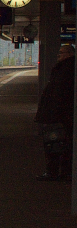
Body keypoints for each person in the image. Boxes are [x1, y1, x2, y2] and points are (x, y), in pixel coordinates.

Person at [34, 44, 74, 181]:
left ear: (69, 54)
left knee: (56, 143)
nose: (58, 55)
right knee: (62, 144)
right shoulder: (65, 68)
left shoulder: (67, 69)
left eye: (61, 53)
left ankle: (55, 172)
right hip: (62, 114)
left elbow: (60, 93)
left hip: (60, 115)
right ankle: (62, 171)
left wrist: (53, 112)